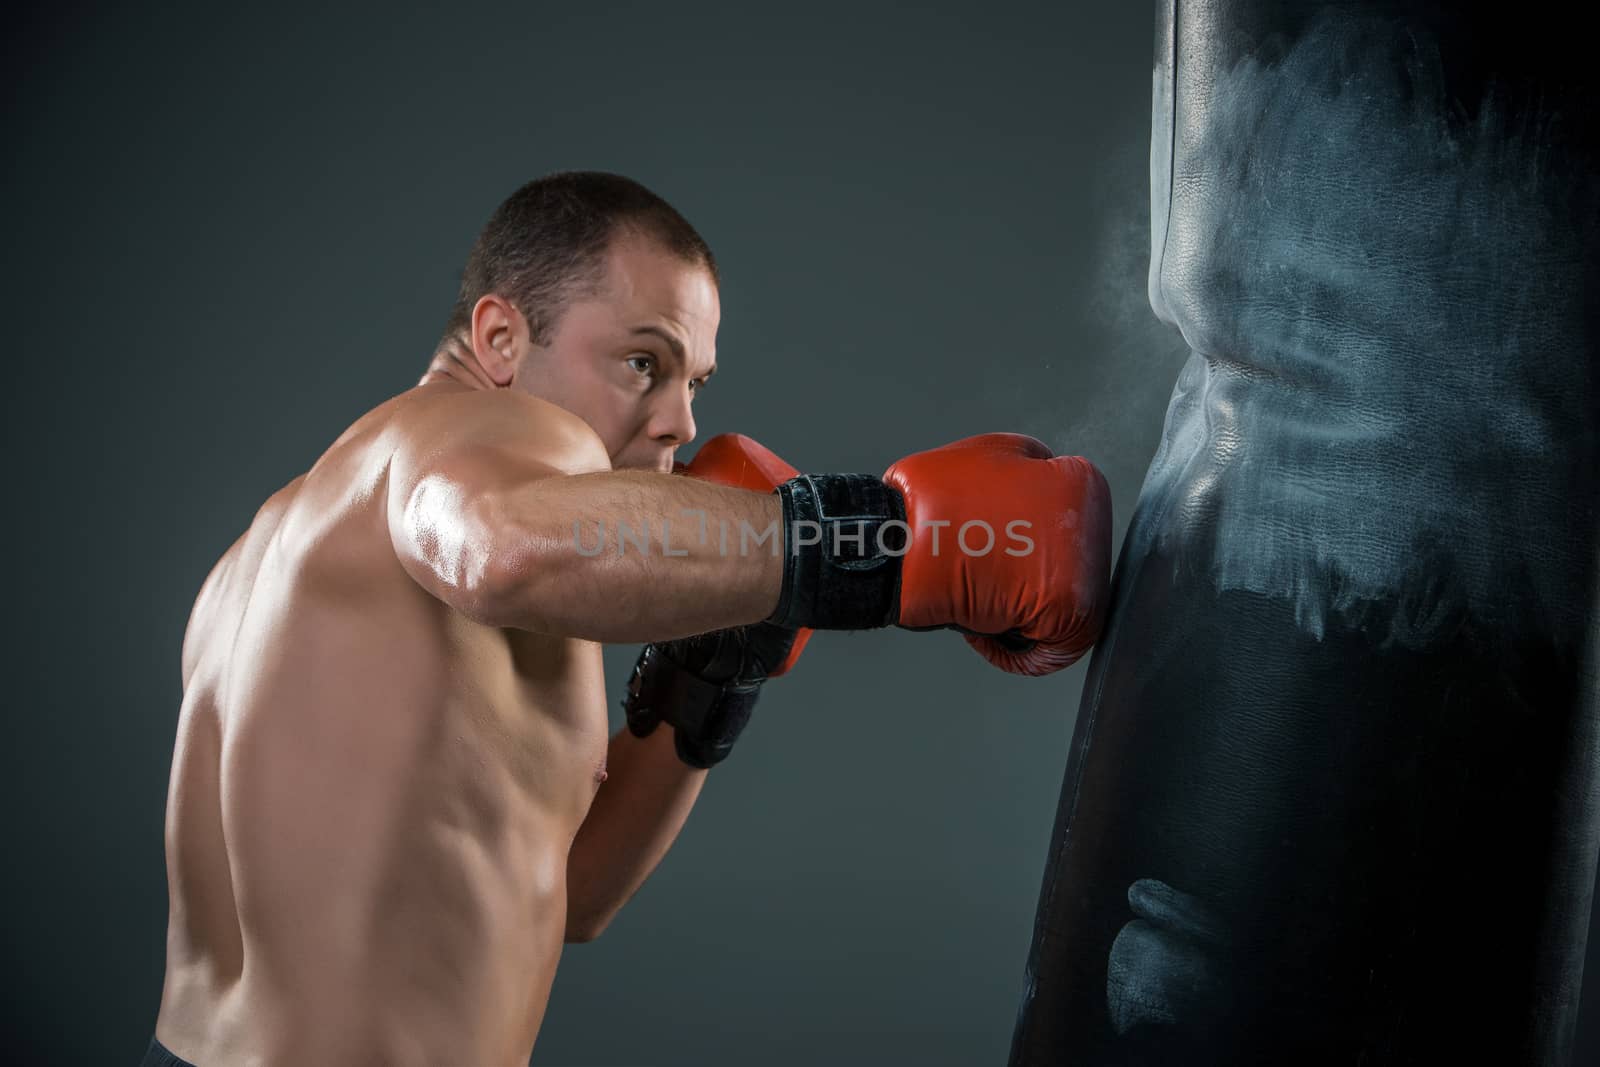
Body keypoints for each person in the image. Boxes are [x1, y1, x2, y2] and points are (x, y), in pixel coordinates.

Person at [148, 171, 1113, 1066]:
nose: (679, 422)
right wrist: (871, 541)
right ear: (498, 341)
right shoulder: (467, 437)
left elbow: (567, 895)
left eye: (694, 382)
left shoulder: (277, 546)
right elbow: (498, 543)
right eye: (642, 362)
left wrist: (715, 670)